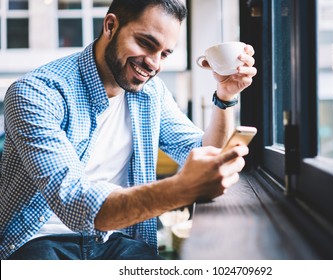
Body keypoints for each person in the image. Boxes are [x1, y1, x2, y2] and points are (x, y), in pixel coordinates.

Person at [0, 0, 256, 260]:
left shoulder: (151, 93)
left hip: (117, 241)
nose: (154, 64)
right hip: (38, 241)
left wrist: (226, 95)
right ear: (111, 25)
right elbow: (73, 201)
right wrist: (180, 189)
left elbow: (204, 152)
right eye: (146, 43)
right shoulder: (36, 93)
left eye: (165, 54)